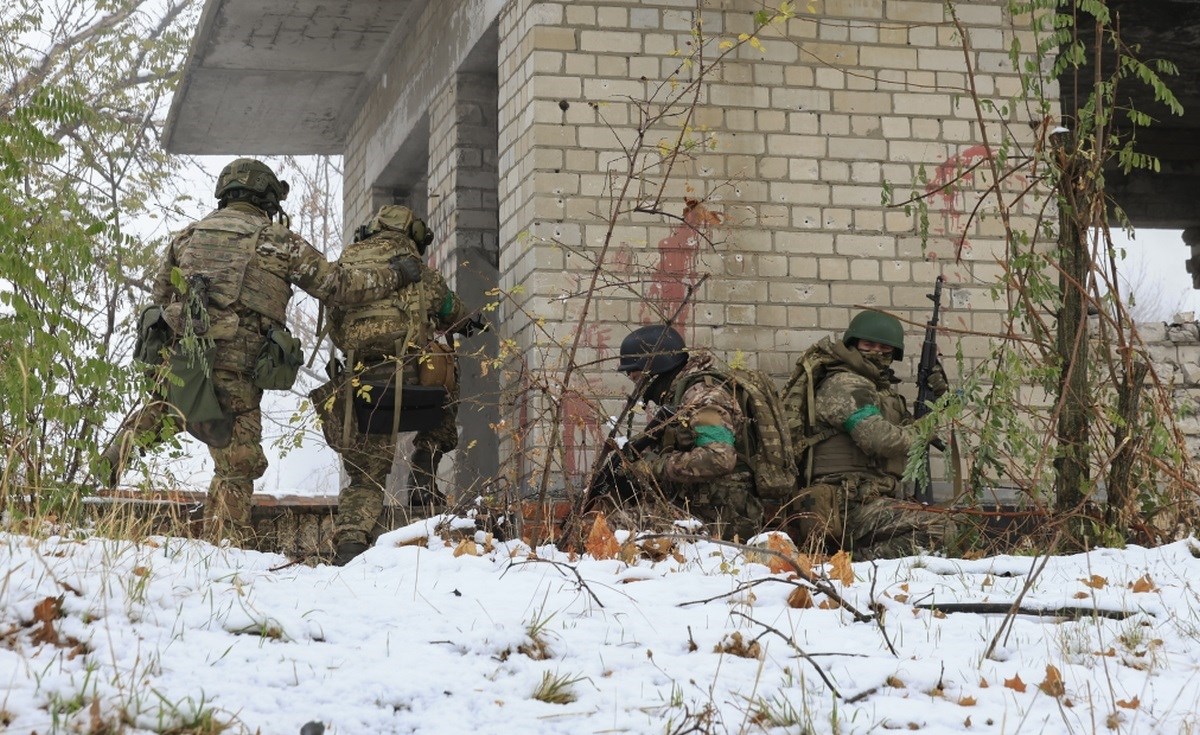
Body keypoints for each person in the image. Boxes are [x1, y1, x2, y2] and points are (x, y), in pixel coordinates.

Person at [100, 158, 420, 546]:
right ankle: (229, 546)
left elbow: (161, 297)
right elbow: (339, 286)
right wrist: (398, 273)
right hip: (237, 368)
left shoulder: (186, 236)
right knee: (239, 462)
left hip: (182, 357)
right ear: (266, 197)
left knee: (159, 413)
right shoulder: (278, 241)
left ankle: (97, 479)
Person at [310, 204, 486, 566]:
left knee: (365, 476)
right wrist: (471, 321)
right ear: (413, 235)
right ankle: (425, 466)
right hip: (416, 390)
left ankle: (350, 544)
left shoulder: (346, 268)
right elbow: (455, 314)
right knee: (448, 366)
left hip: (364, 389)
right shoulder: (421, 272)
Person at [788, 310, 951, 559]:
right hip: (845, 505)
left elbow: (913, 433)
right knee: (942, 528)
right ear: (853, 344)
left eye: (884, 347)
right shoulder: (845, 384)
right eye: (868, 344)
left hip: (873, 500)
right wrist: (924, 429)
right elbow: (879, 440)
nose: (876, 352)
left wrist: (939, 396)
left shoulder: (880, 392)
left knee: (948, 524)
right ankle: (849, 566)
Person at [606, 324, 764, 541]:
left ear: (655, 370)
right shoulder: (682, 396)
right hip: (700, 506)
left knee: (616, 527)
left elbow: (719, 457)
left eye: (636, 377)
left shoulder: (705, 397)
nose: (637, 385)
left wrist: (653, 467)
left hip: (723, 516)